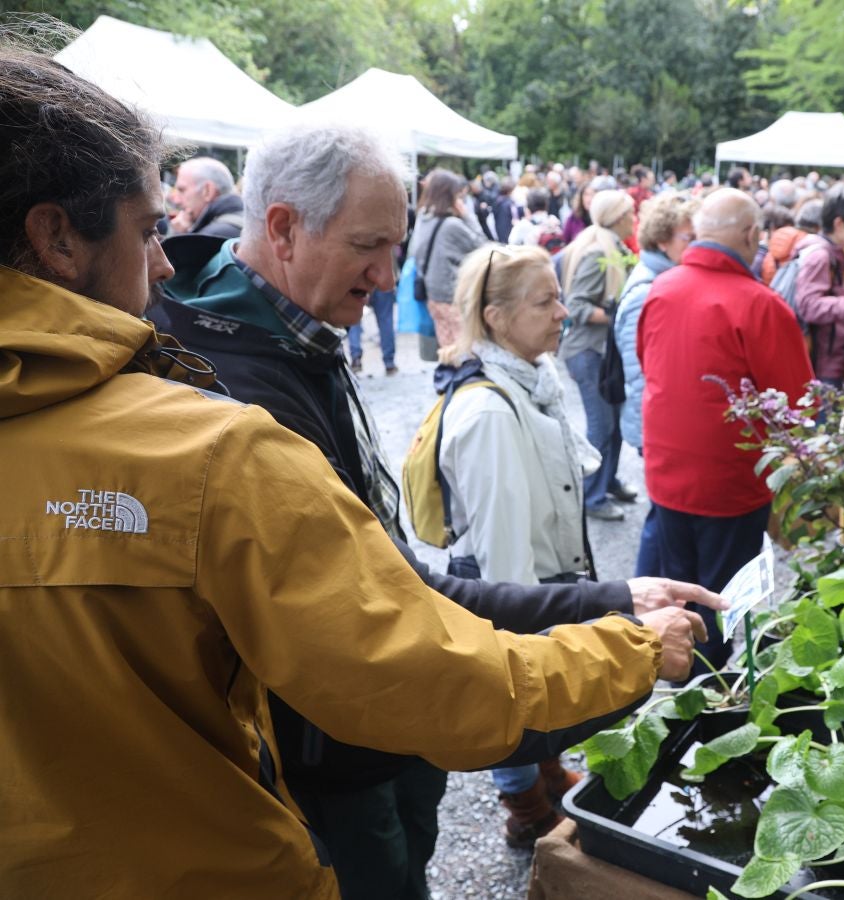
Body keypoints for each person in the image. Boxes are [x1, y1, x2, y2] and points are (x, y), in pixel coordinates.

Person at [0, 48, 708, 900]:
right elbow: (421, 674)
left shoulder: (263, 357)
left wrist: (606, 602)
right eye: (149, 228)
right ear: (55, 237)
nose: (161, 265)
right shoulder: (212, 446)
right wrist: (630, 650)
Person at [435, 244, 604, 847]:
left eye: (560, 296)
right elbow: (506, 566)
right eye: (546, 301)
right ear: (497, 318)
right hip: (513, 587)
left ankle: (548, 772)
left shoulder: (534, 377)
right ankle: (526, 807)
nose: (564, 311)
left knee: (539, 695)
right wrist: (533, 627)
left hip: (544, 575)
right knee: (514, 691)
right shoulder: (488, 411)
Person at [638, 189, 814, 671]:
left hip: (667, 472)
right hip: (729, 484)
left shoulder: (663, 287)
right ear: (752, 236)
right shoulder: (760, 305)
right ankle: (702, 704)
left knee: (677, 591)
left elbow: (650, 368)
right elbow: (796, 404)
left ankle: (675, 687)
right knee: (719, 605)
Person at [614, 193, 698, 576]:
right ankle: (640, 603)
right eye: (686, 237)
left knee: (664, 518)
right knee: (662, 519)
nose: (693, 246)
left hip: (658, 423)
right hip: (653, 425)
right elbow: (641, 375)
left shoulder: (661, 279)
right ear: (663, 240)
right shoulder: (648, 289)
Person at [559, 189, 638, 522]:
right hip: (588, 352)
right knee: (602, 426)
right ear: (619, 218)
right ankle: (592, 496)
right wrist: (616, 315)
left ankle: (607, 481)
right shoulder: (598, 252)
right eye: (631, 214)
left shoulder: (611, 247)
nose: (635, 220)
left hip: (602, 354)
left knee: (613, 424)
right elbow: (574, 306)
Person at [795, 183, 844, 387]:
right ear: (839, 223)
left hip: (830, 357)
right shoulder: (821, 256)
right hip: (824, 362)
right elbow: (809, 304)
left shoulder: (829, 252)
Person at [408, 169, 485, 352]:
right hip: (454, 297)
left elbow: (414, 252)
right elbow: (484, 247)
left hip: (433, 295)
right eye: (458, 195)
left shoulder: (425, 219)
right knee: (466, 352)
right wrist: (467, 215)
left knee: (448, 350)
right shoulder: (451, 225)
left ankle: (450, 379)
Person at [168, 155, 244, 237]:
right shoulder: (247, 222)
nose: (176, 200)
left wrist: (180, 238)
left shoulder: (210, 237)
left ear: (208, 191)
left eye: (182, 190)